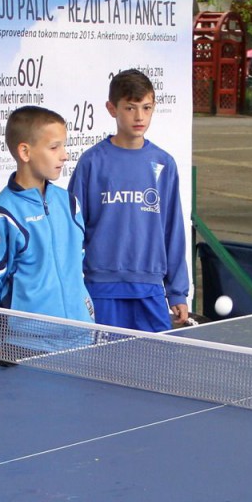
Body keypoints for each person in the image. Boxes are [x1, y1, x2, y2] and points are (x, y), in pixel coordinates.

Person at [69, 69, 189, 331]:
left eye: (146, 108)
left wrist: (177, 290)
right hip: (101, 288)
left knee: (155, 357)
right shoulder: (91, 163)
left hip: (150, 289)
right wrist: (71, 288)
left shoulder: (164, 163)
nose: (139, 117)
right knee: (102, 358)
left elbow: (173, 231)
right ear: (112, 109)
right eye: (130, 108)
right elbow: (72, 231)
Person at [0, 106, 95, 322]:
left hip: (81, 334)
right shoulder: (1, 215)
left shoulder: (69, 203)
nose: (65, 155)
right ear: (25, 152)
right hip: (26, 339)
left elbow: (78, 268)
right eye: (54, 147)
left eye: (64, 146)